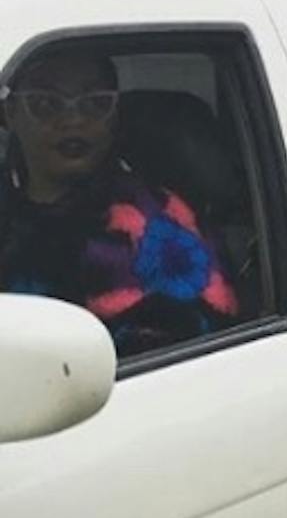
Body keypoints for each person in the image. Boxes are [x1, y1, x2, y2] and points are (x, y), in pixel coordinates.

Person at [0, 44, 238, 357]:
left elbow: (183, 365)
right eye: (46, 104)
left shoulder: (157, 222)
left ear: (114, 116)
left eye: (95, 104)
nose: (73, 120)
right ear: (10, 113)